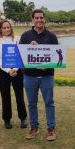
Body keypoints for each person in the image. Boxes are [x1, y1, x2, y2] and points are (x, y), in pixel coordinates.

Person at [19, 9, 59, 141]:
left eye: (41, 18)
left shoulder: (52, 36)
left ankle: (51, 129)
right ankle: (34, 127)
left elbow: (57, 58)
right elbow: (21, 56)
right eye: (36, 18)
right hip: (30, 76)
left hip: (47, 76)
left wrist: (46, 65)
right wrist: (30, 49)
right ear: (32, 20)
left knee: (49, 102)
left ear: (44, 19)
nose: (39, 20)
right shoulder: (25, 36)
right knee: (31, 103)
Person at [0, 20, 28, 130]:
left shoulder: (17, 39)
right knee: (5, 96)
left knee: (19, 95)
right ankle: (7, 120)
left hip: (17, 72)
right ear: (0, 29)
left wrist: (15, 69)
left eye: (9, 27)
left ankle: (23, 118)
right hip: (4, 72)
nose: (7, 29)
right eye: (4, 28)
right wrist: (8, 70)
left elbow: (22, 54)